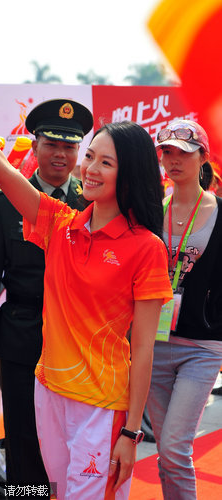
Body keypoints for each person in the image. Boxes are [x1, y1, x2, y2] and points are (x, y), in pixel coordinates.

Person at [0, 50, 173, 499]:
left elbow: (142, 347)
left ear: (130, 174)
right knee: (44, 487)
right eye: (91, 158)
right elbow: (2, 171)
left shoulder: (146, 247)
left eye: (105, 162)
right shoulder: (59, 224)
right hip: (49, 390)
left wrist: (132, 432)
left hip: (100, 404)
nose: (87, 168)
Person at [0, 95, 92, 489]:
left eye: (69, 146)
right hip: (22, 339)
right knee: (24, 438)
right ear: (34, 146)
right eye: (51, 144)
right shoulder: (4, 204)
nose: (60, 154)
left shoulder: (92, 203)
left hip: (78, 343)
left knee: (76, 442)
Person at [146, 119, 222, 500]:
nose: (174, 160)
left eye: (184, 152)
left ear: (203, 158)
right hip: (153, 344)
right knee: (166, 451)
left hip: (202, 346)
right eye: (167, 152)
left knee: (174, 447)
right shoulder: (149, 212)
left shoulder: (220, 212)